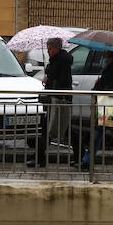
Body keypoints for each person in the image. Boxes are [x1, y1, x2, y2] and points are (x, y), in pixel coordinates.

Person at [30, 37, 78, 168]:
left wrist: (49, 76)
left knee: (51, 128)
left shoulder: (61, 61)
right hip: (56, 98)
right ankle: (80, 157)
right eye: (47, 48)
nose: (48, 51)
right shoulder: (58, 60)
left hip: (59, 99)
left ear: (56, 48)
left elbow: (62, 80)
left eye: (50, 49)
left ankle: (39, 158)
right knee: (61, 128)